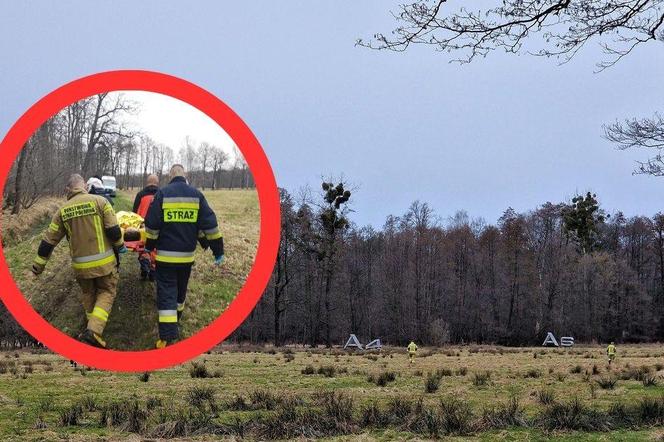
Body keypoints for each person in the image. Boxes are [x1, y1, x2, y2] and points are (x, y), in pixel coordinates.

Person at [31, 174, 127, 348]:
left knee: (88, 293)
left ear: (68, 189)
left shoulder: (62, 211)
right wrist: (120, 245)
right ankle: (94, 331)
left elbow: (48, 242)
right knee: (106, 292)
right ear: (83, 185)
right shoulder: (100, 202)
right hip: (104, 264)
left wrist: (38, 266)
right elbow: (113, 231)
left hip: (80, 267)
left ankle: (91, 329)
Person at [144, 165, 224, 348]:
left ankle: (166, 337)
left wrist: (149, 246)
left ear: (170, 176)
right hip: (186, 259)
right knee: (180, 291)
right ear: (185, 176)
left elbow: (152, 225)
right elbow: (209, 225)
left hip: (165, 258)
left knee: (166, 294)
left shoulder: (162, 194)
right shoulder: (196, 195)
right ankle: (176, 319)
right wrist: (217, 250)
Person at [133, 174, 160, 281]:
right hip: (157, 226)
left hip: (143, 226)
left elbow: (134, 213)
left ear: (147, 182)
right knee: (154, 248)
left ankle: (144, 264)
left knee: (143, 246)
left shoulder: (140, 194)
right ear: (157, 182)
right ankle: (153, 270)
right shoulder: (161, 194)